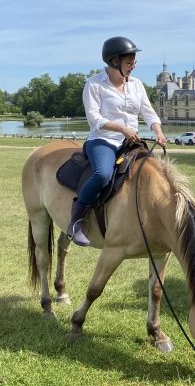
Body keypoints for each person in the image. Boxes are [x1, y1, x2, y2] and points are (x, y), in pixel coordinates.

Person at [67, 36, 167, 246]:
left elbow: (148, 113)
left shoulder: (137, 85)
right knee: (103, 174)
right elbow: (95, 119)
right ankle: (76, 222)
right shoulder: (94, 84)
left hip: (131, 143)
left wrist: (158, 131)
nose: (133, 66)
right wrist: (122, 128)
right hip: (104, 140)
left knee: (157, 174)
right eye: (129, 62)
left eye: (134, 62)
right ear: (114, 62)